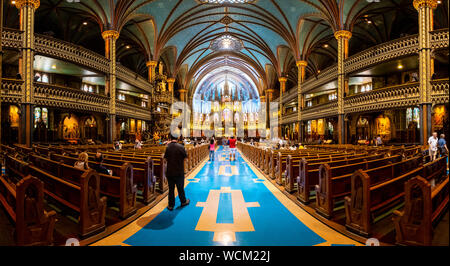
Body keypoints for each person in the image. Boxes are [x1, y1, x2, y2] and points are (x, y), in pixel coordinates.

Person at [164, 135, 190, 211]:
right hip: (179, 171)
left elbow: (165, 159)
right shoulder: (181, 147)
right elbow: (185, 158)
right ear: (177, 138)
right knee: (180, 188)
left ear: (170, 138)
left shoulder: (168, 147)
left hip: (170, 172)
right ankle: (183, 201)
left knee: (171, 189)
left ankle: (171, 205)